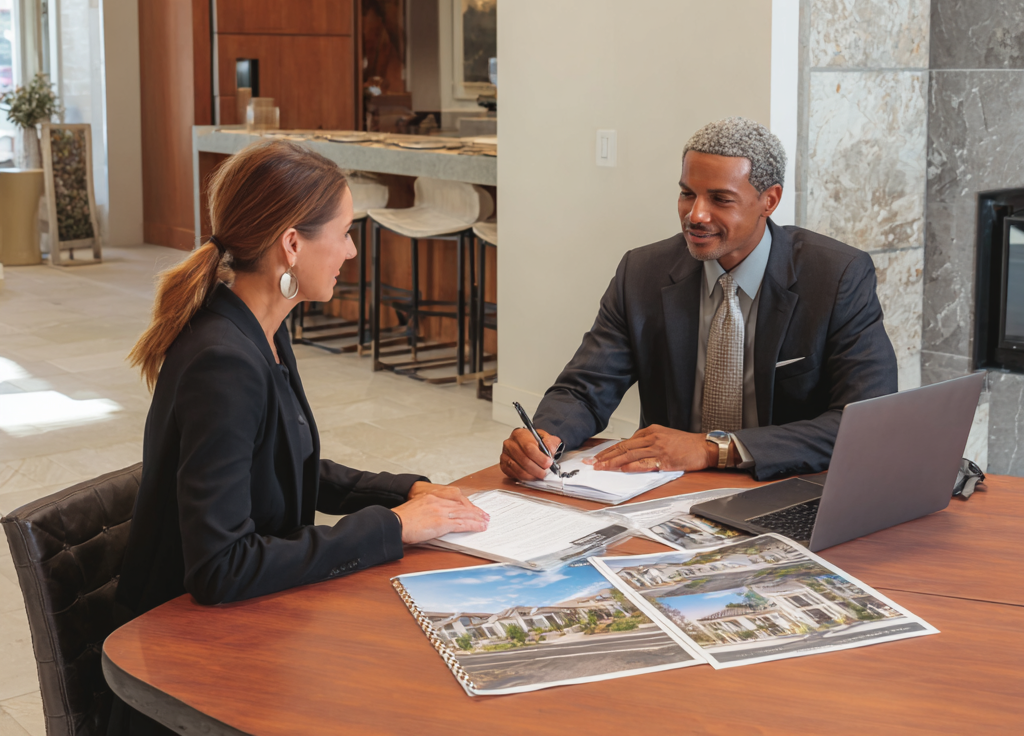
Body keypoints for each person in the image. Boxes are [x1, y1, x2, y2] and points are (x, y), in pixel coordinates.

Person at [111, 141, 487, 735]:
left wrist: (407, 490)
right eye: (342, 232)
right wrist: (393, 527)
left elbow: (289, 463)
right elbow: (221, 569)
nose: (351, 249)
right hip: (186, 667)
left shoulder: (261, 327)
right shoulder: (224, 361)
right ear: (292, 243)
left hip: (243, 631)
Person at [500, 117, 897, 485]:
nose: (696, 215)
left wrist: (712, 448)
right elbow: (585, 389)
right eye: (687, 194)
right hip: (667, 487)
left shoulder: (836, 276)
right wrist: (545, 436)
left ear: (769, 200)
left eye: (720, 199)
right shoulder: (642, 272)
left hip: (784, 482)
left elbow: (865, 420)